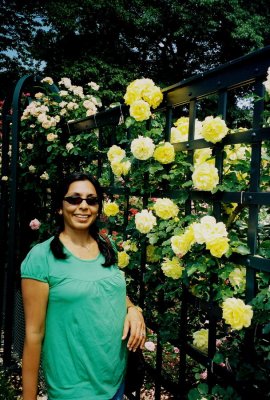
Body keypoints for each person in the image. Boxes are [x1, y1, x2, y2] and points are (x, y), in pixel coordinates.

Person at [21, 172, 146, 400]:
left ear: (98, 208)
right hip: (73, 389)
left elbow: (110, 292)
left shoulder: (107, 247)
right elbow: (33, 333)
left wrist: (133, 309)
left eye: (91, 200)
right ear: (60, 207)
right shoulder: (41, 258)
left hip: (116, 381)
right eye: (74, 199)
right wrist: (28, 397)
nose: (83, 206)